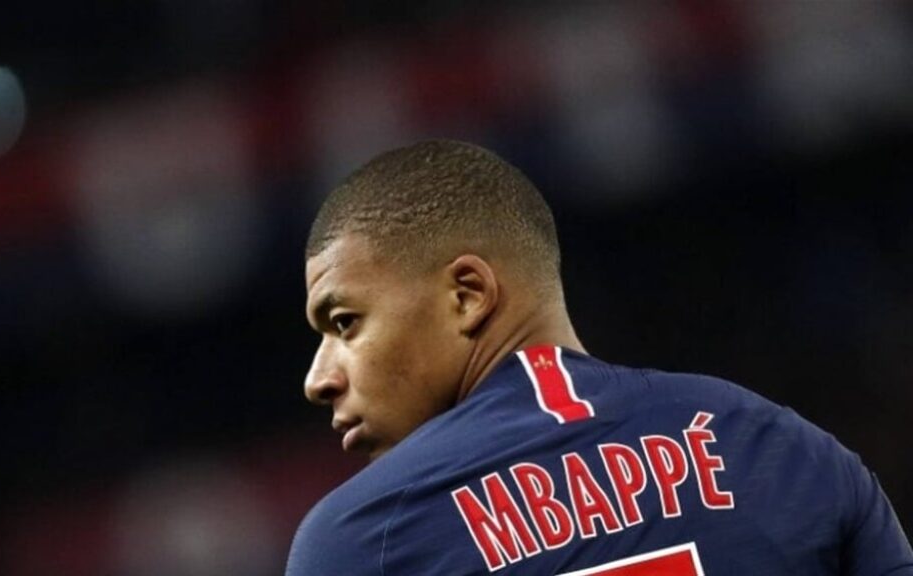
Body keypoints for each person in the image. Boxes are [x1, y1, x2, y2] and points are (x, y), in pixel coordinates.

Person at [285, 140, 913, 575]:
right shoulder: (787, 448)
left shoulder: (364, 539)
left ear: (468, 295)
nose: (319, 379)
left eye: (344, 323)